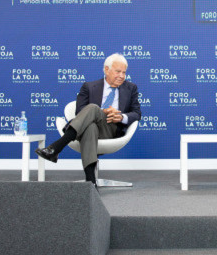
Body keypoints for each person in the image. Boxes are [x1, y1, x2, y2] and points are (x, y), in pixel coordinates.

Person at [36, 53, 141, 185]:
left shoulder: (131, 88)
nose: (121, 76)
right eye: (118, 71)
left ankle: (57, 146)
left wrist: (120, 117)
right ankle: (91, 182)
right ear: (106, 69)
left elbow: (137, 113)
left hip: (112, 130)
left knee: (92, 108)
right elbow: (80, 112)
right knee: (91, 124)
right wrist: (101, 111)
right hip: (87, 127)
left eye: (124, 72)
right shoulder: (89, 86)